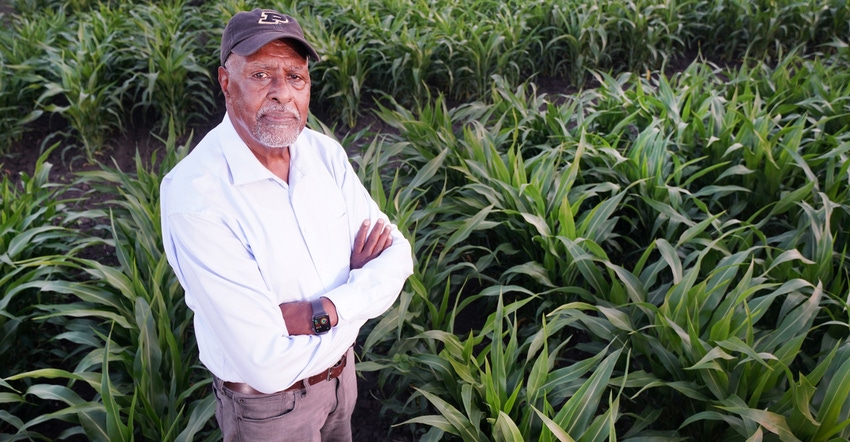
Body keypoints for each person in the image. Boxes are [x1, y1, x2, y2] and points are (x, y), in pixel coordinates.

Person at [160, 8, 413, 441]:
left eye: (295, 77)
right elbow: (267, 361)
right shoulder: (197, 196)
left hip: (342, 380)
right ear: (225, 81)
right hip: (270, 410)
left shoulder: (324, 155)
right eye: (261, 75)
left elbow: (398, 257)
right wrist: (359, 287)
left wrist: (324, 312)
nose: (282, 93)